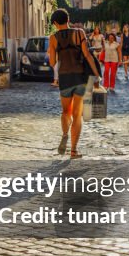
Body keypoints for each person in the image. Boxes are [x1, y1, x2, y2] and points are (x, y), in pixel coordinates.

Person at [48, 9, 101, 159]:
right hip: (80, 78)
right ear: (68, 19)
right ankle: (74, 151)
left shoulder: (53, 38)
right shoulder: (79, 33)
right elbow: (88, 55)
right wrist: (96, 77)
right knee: (77, 115)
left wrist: (52, 51)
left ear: (55, 23)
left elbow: (52, 62)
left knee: (65, 112)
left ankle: (65, 134)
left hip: (65, 79)